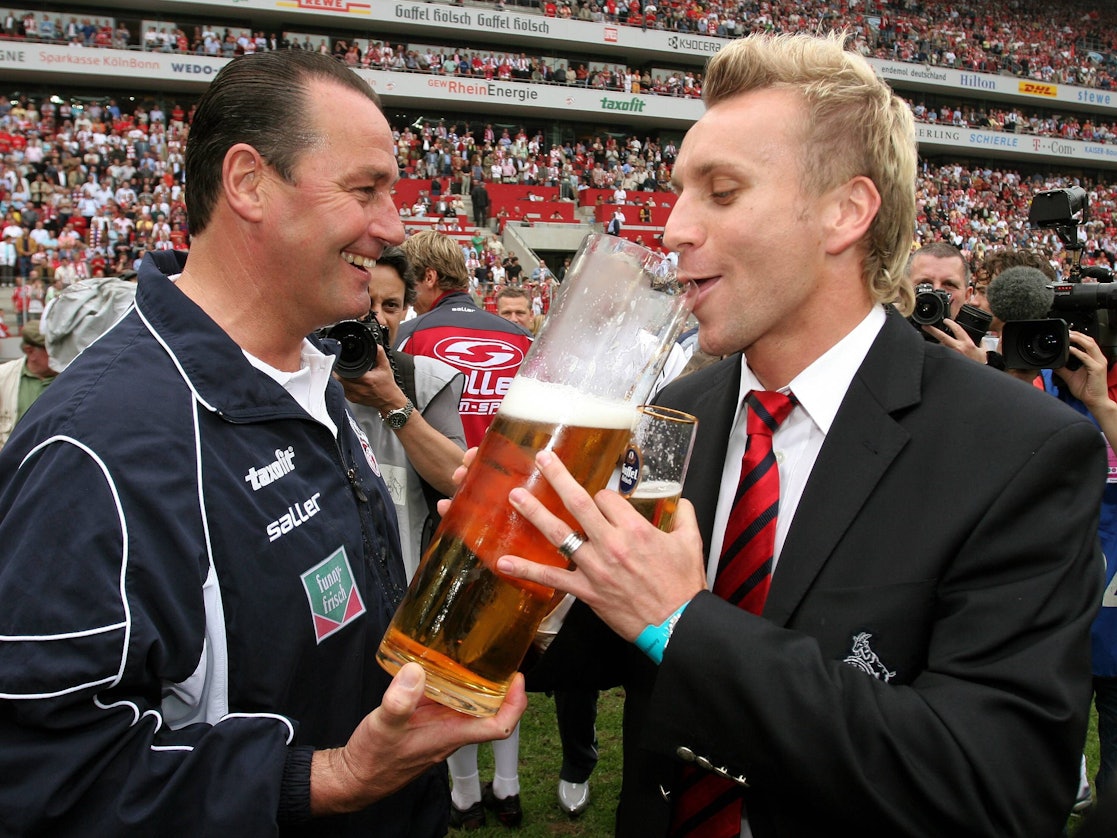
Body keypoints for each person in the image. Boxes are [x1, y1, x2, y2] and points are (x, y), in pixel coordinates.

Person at [497, 32, 1106, 836]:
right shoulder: (678, 408)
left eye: (720, 192)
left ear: (844, 212)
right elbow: (614, 639)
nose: (673, 228)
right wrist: (524, 583)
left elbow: (994, 787)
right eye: (677, 192)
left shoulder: (1017, 447)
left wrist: (682, 622)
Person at [0, 49, 524, 837]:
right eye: (365, 190)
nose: (392, 227)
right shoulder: (94, 447)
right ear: (248, 183)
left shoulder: (315, 374)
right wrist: (330, 779)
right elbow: (44, 778)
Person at [396, 229, 532, 830]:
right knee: (501, 650)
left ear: (427, 278)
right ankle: (509, 788)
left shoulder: (410, 338)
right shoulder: (521, 337)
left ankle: (466, 795)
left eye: (410, 283)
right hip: (515, 513)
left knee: (443, 661)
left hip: (444, 513)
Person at [339, 245, 467, 579]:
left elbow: (459, 480)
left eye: (391, 306)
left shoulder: (423, 380)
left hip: (403, 579)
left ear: (406, 311)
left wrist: (394, 404)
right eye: (366, 302)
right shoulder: (301, 375)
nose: (377, 318)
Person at [0, 321, 57, 449]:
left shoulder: (70, 377)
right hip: (12, 459)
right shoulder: (3, 377)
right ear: (29, 351)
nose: (58, 355)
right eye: (51, 351)